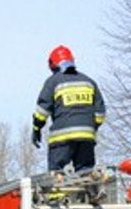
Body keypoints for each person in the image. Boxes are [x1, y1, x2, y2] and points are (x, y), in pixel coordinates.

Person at [32, 45, 106, 174]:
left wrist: (36, 129)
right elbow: (100, 114)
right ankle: (90, 193)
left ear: (53, 65)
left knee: (57, 176)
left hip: (61, 139)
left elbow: (42, 112)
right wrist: (89, 127)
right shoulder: (89, 82)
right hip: (86, 138)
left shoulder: (53, 82)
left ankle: (58, 195)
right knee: (85, 175)